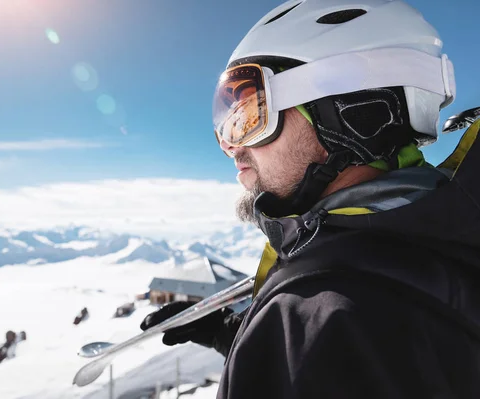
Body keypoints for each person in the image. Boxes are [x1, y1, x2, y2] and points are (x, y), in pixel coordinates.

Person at [140, 0, 480, 397]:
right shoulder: (441, 238)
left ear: (348, 113)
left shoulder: (335, 319)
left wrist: (281, 333)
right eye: (228, 122)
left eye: (250, 114)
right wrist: (244, 338)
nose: (231, 147)